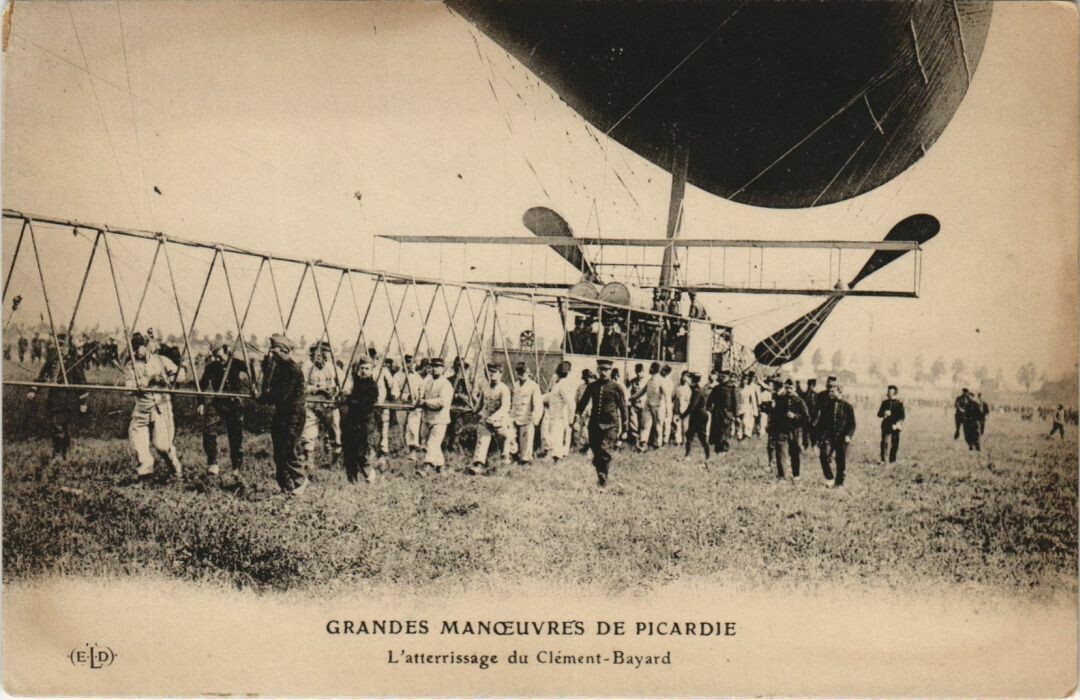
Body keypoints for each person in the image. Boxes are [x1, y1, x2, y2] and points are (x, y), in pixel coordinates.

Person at [124, 331, 185, 483]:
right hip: (142, 407)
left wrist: (167, 378)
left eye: (138, 347)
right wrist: (148, 380)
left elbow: (181, 375)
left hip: (161, 407)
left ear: (146, 346)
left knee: (162, 445)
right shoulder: (131, 365)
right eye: (133, 348)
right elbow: (129, 389)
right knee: (137, 436)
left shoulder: (160, 360)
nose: (136, 351)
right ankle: (146, 469)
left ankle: (175, 467)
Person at [26, 332, 89, 469]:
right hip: (54, 399)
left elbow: (81, 382)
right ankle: (64, 454)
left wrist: (83, 402)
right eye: (58, 345)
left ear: (68, 346)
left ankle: (58, 454)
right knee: (59, 427)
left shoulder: (73, 361)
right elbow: (42, 376)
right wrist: (34, 390)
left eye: (63, 345)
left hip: (68, 400)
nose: (60, 348)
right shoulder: (52, 361)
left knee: (59, 426)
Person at [259, 333, 308, 494]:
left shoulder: (292, 369)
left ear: (283, 350)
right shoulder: (280, 367)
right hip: (282, 414)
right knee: (279, 452)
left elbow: (281, 395)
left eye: (274, 349)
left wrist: (262, 397)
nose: (272, 352)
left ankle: (300, 480)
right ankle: (286, 487)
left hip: (293, 415)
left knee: (288, 448)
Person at [198, 343, 254, 475]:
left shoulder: (236, 363)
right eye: (215, 357)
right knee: (208, 429)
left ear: (227, 352)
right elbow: (202, 385)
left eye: (220, 356)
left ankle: (236, 468)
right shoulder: (212, 366)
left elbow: (250, 371)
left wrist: (249, 363)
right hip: (218, 402)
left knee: (236, 435)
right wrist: (201, 403)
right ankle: (212, 463)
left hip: (234, 403)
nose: (217, 359)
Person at [575, 359, 628, 487]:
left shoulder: (616, 387)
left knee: (604, 449)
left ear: (610, 371)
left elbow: (623, 407)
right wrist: (576, 416)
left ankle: (603, 476)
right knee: (596, 450)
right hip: (594, 424)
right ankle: (600, 472)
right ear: (598, 370)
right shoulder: (592, 386)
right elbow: (583, 402)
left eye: (606, 370)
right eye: (601, 369)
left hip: (611, 424)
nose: (604, 372)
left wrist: (625, 427)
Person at [301, 341, 342, 468]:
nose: (319, 356)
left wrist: (336, 389)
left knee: (335, 430)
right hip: (313, 403)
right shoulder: (307, 367)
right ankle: (309, 460)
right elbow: (301, 386)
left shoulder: (332, 367)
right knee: (309, 430)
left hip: (330, 404)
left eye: (323, 353)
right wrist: (317, 388)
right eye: (316, 353)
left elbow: (345, 384)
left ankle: (333, 460)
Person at [341, 355, 381, 483]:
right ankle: (352, 481)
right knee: (349, 451)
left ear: (372, 370)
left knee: (362, 451)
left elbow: (364, 404)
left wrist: (349, 399)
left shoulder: (372, 387)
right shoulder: (357, 382)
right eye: (362, 368)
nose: (363, 371)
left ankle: (369, 475)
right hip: (351, 421)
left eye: (367, 368)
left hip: (364, 422)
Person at [471, 363, 514, 473]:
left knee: (504, 441)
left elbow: (505, 407)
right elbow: (480, 403)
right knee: (482, 440)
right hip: (486, 420)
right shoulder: (485, 387)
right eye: (490, 372)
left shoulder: (504, 389)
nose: (491, 374)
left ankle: (505, 461)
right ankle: (478, 465)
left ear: (500, 374)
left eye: (494, 372)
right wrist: (474, 411)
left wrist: (494, 417)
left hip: (500, 421)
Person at [815, 383, 856, 488]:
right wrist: (819, 437)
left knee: (840, 460)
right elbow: (821, 423)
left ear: (839, 392)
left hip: (842, 438)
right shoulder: (827, 406)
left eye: (833, 391)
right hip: (829, 437)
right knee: (823, 455)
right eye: (829, 391)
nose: (830, 393)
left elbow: (852, 424)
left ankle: (839, 483)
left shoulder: (848, 407)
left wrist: (848, 435)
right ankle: (829, 478)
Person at [417, 357, 454, 475]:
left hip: (440, 420)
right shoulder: (428, 383)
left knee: (432, 443)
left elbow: (442, 402)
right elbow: (422, 397)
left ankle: (426, 467)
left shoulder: (446, 384)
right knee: (434, 444)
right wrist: (420, 401)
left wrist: (425, 402)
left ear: (443, 369)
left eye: (437, 367)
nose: (434, 369)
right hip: (428, 419)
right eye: (432, 366)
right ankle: (441, 467)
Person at [769, 378, 809, 481]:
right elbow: (775, 416)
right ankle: (782, 476)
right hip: (782, 431)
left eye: (791, 388)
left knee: (795, 453)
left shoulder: (799, 401)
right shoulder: (780, 400)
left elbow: (806, 418)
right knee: (781, 452)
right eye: (787, 388)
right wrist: (773, 430)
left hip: (795, 431)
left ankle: (796, 475)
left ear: (794, 388)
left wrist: (795, 416)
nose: (789, 390)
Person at [510, 363, 544, 464]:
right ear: (516, 373)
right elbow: (514, 402)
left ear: (528, 373)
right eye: (520, 372)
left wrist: (536, 418)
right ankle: (514, 455)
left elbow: (538, 404)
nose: (522, 375)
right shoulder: (516, 385)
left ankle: (526, 460)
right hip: (515, 416)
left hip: (527, 417)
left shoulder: (533, 386)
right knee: (510, 437)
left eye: (524, 372)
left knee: (526, 441)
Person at [543, 361, 576, 462]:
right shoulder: (558, 385)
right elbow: (551, 397)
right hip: (554, 414)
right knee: (553, 436)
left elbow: (570, 403)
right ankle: (556, 456)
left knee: (557, 436)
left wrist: (571, 418)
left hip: (560, 415)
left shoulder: (563, 384)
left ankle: (557, 458)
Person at [393, 354, 423, 454]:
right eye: (408, 362)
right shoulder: (397, 375)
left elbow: (421, 389)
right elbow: (395, 390)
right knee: (402, 426)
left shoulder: (417, 376)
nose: (410, 365)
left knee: (413, 426)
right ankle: (404, 446)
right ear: (403, 363)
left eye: (413, 362)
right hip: (402, 404)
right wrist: (401, 396)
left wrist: (418, 398)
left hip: (414, 405)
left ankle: (412, 449)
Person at [682, 372, 710, 463]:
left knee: (699, 436)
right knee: (691, 435)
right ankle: (690, 455)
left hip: (698, 415)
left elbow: (692, 405)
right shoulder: (698, 388)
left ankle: (705, 455)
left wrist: (683, 415)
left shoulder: (697, 391)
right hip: (699, 414)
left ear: (693, 380)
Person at [635, 362, 664, 450]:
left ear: (654, 369)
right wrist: (632, 398)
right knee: (645, 425)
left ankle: (657, 444)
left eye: (651, 367)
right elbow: (642, 391)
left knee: (657, 426)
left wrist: (667, 409)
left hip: (657, 406)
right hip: (648, 406)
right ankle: (643, 443)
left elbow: (666, 395)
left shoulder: (661, 380)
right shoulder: (650, 380)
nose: (649, 369)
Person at [708, 370, 737, 454]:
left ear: (728, 378)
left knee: (725, 431)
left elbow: (735, 403)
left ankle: (724, 449)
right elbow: (710, 399)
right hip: (717, 413)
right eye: (720, 376)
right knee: (717, 430)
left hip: (727, 413)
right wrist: (709, 407)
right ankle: (718, 449)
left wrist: (736, 415)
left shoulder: (732, 389)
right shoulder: (716, 388)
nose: (721, 378)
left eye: (724, 377)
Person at [877, 384, 905, 463]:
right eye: (888, 392)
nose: (889, 394)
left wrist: (898, 423)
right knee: (884, 442)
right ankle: (883, 459)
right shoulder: (884, 403)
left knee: (895, 442)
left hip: (895, 425)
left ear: (895, 393)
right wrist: (884, 413)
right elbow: (879, 414)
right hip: (886, 425)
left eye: (891, 392)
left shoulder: (899, 404)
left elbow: (902, 416)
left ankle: (892, 459)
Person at [574, 368, 594, 450]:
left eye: (589, 377)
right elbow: (577, 399)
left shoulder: (595, 387)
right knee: (581, 428)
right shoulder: (580, 387)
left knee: (589, 428)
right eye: (586, 377)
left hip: (591, 411)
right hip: (582, 411)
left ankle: (589, 445)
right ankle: (584, 445)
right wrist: (577, 411)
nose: (588, 379)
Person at [672, 371, 692, 446]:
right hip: (677, 409)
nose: (684, 378)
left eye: (686, 377)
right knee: (677, 426)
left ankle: (685, 441)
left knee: (685, 426)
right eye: (683, 376)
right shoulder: (677, 387)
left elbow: (689, 400)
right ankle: (678, 441)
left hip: (685, 410)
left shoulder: (689, 388)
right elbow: (672, 397)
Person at [658, 365, 675, 447]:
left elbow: (668, 395)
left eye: (663, 370)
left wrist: (668, 408)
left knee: (666, 422)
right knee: (660, 422)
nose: (661, 371)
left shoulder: (669, 382)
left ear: (666, 372)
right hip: (662, 402)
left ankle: (665, 440)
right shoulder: (660, 379)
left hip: (666, 402)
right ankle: (660, 440)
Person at [801, 378, 819, 448]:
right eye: (809, 385)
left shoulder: (816, 395)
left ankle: (813, 445)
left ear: (813, 386)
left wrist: (815, 419)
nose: (810, 386)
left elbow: (818, 407)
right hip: (805, 417)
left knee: (813, 432)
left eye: (811, 385)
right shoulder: (804, 394)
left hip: (813, 416)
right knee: (805, 433)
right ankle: (805, 446)